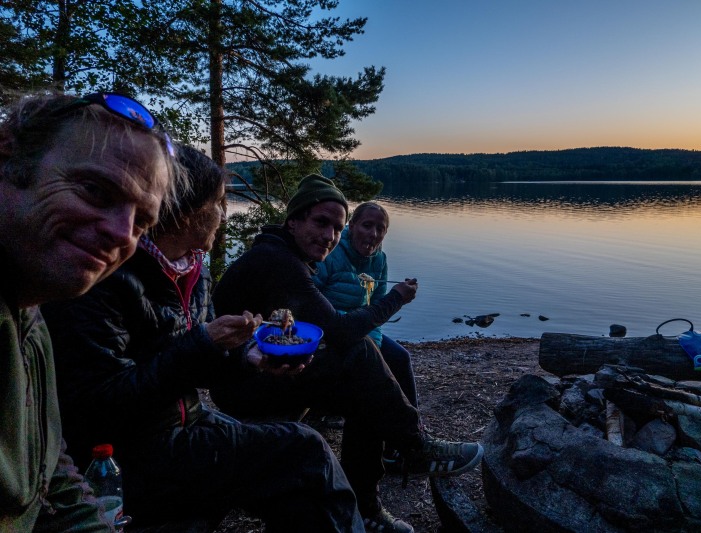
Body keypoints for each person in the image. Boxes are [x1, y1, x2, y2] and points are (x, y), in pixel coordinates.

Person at [41, 147, 363, 531]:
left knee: (298, 485)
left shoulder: (195, 272)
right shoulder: (108, 276)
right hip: (128, 450)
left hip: (187, 421)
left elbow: (205, 365)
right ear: (188, 210)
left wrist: (250, 357)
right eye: (220, 204)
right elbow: (101, 405)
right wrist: (204, 344)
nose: (224, 215)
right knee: (306, 450)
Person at [211, 174, 484, 533]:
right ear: (293, 221)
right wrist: (396, 298)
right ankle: (413, 448)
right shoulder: (277, 261)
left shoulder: (288, 256)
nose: (329, 236)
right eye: (321, 222)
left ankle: (369, 508)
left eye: (336, 228)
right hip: (242, 384)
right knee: (359, 350)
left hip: (264, 368)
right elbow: (339, 331)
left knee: (364, 389)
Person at [0, 92, 175, 532]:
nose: (121, 235)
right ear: (8, 157)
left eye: (141, 223)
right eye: (95, 190)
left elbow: (52, 474)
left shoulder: (30, 313)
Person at [312, 201, 419, 466]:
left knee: (400, 358)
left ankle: (406, 440)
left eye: (380, 229)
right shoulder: (331, 253)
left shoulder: (379, 260)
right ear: (352, 226)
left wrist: (374, 342)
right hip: (329, 333)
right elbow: (313, 305)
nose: (372, 234)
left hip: (364, 332)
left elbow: (378, 310)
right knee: (369, 378)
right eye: (367, 225)